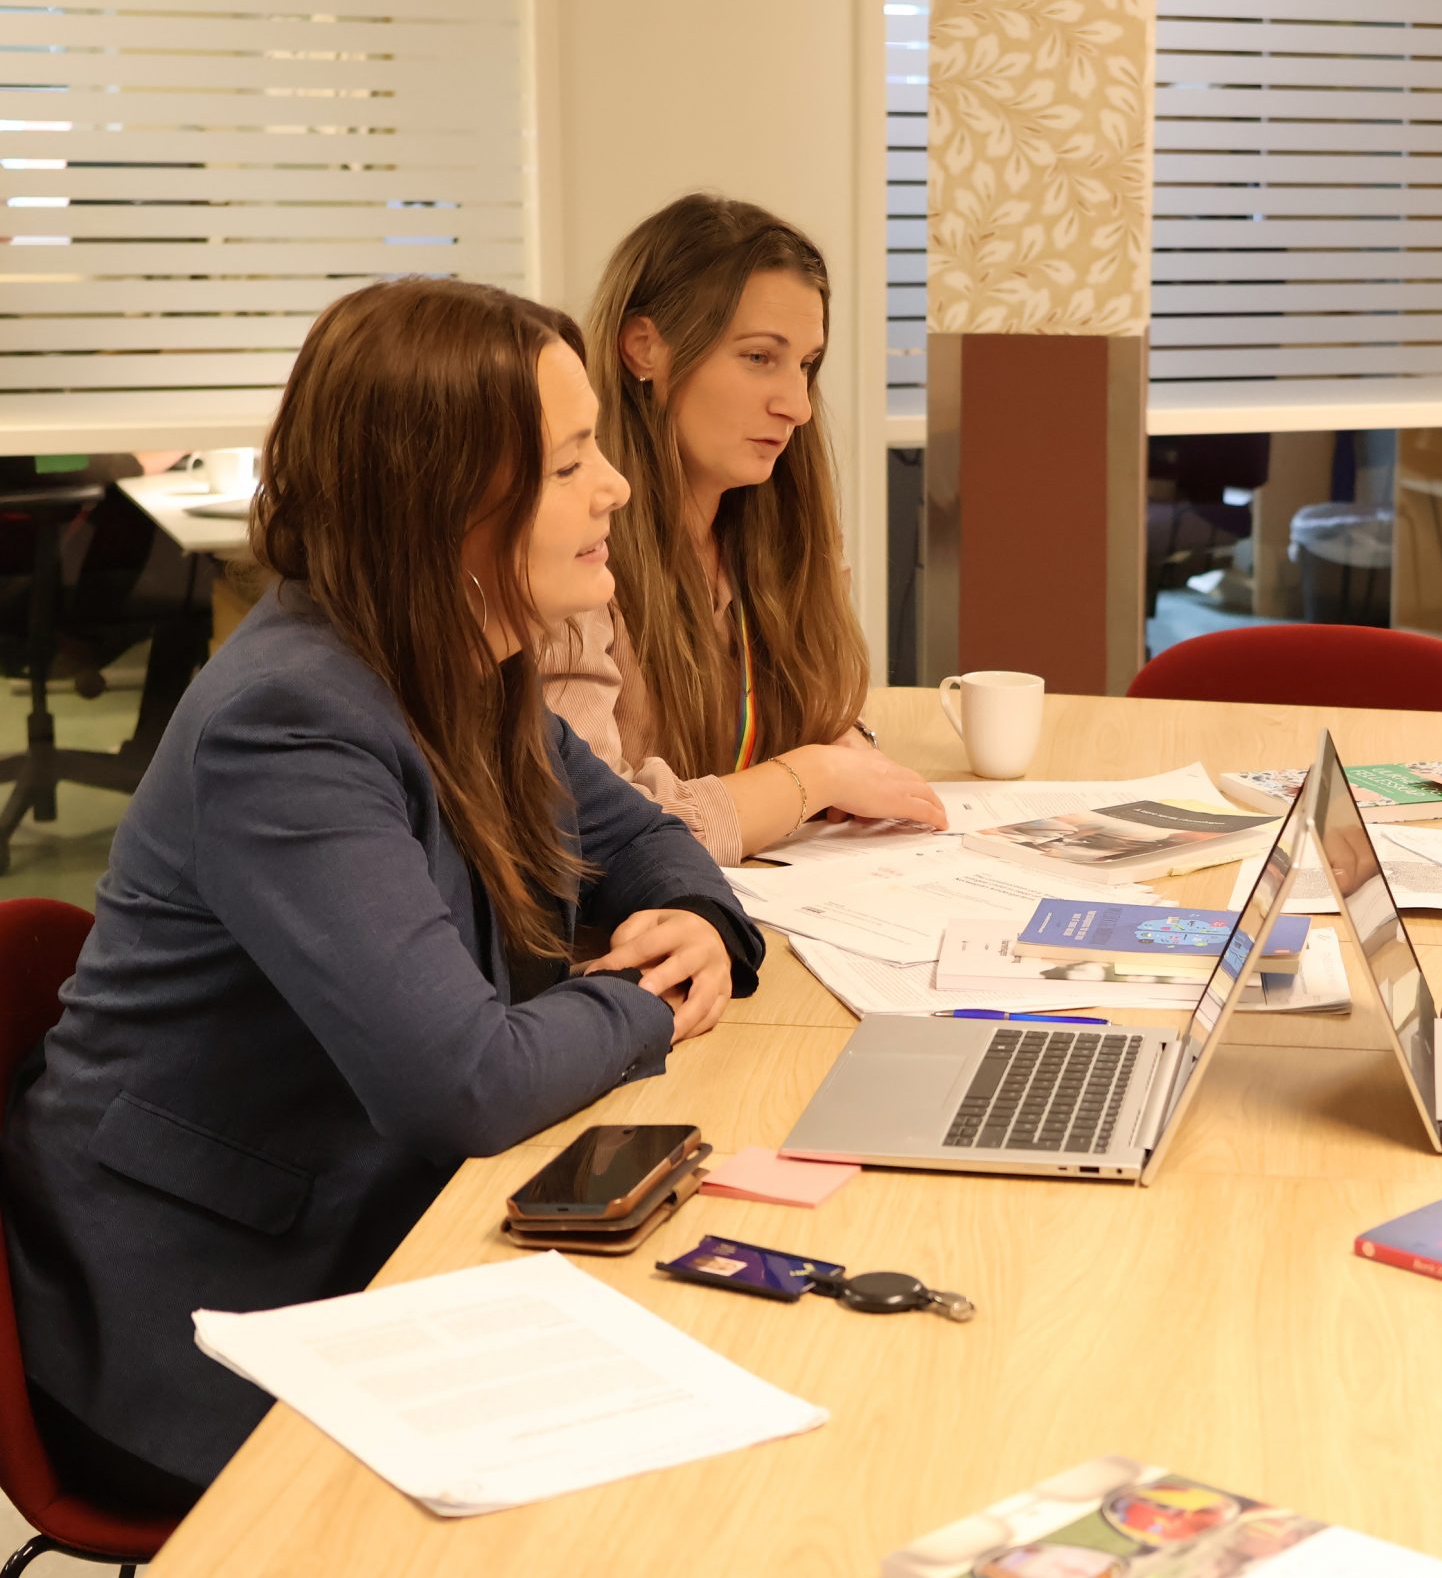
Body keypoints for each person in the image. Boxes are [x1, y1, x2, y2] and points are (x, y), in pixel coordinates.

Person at [0, 279, 764, 1501]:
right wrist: (655, 1000)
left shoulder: (462, 652)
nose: (615, 488)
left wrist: (697, 921)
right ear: (451, 500)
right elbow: (466, 1085)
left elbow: (637, 840)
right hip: (201, 1313)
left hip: (368, 1227)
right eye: (571, 463)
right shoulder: (291, 720)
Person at [545, 193, 944, 864]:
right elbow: (598, 831)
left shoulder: (780, 524)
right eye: (760, 357)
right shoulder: (572, 554)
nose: (795, 406)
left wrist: (845, 743)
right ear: (644, 348)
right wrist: (817, 775)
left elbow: (815, 711)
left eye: (807, 365)